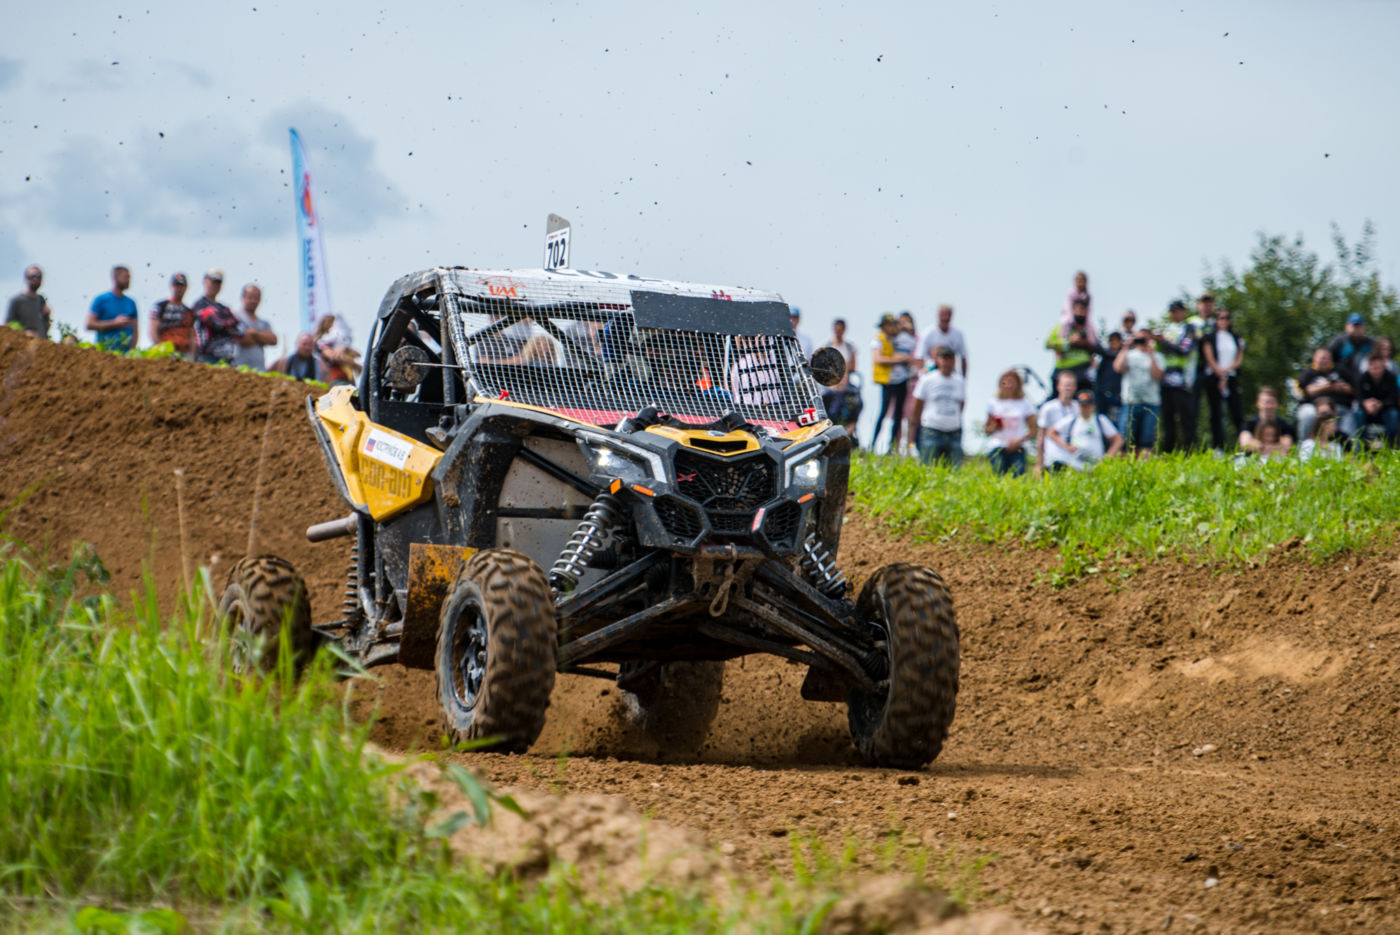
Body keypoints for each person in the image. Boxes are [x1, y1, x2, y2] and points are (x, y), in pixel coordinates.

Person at [1153, 299, 1199, 453]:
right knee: (1167, 421)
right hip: (1166, 382)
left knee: (1187, 420)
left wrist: (1164, 342)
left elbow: (1184, 349)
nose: (1174, 314)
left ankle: (1190, 452)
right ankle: (1168, 453)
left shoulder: (1190, 329)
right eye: (1171, 311)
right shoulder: (1167, 329)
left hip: (1183, 381)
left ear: (1183, 312)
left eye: (1177, 311)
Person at [1199, 304, 1245, 453]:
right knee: (1216, 414)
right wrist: (1220, 373)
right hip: (1214, 378)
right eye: (1220, 317)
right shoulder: (1210, 337)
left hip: (1231, 377)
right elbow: (1209, 357)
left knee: (1237, 413)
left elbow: (1239, 359)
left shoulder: (1236, 337)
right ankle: (1218, 448)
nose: (1223, 320)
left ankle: (1244, 447)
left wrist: (1226, 373)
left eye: (1226, 318)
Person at [1114, 327, 1166, 457]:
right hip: (1130, 402)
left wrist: (1151, 354)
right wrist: (1126, 347)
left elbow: (1158, 376)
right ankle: (1125, 466)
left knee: (1147, 441)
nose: (1143, 341)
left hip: (1151, 402)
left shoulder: (1158, 356)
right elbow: (1118, 368)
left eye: (1145, 338)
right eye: (1140, 338)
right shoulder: (1129, 355)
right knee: (1125, 439)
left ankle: (1144, 466)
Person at [909, 346, 964, 466]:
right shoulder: (927, 379)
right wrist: (916, 424)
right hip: (931, 429)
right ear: (937, 360)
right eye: (944, 359)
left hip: (954, 431)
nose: (947, 363)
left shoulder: (959, 381)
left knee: (954, 469)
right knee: (927, 466)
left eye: (950, 359)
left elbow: (962, 404)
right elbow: (917, 403)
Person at [1045, 390, 1123, 471]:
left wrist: (1107, 458)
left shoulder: (1100, 420)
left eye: (1087, 406)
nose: (1084, 409)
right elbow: (1051, 432)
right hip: (1076, 465)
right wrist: (1066, 446)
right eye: (1082, 406)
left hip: (1096, 465)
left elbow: (1118, 439)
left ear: (1093, 406)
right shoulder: (1072, 420)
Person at [869, 314, 913, 453]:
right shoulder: (878, 340)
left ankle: (891, 447)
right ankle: (873, 445)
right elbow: (879, 359)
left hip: (901, 380)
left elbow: (909, 330)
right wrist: (899, 359)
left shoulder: (896, 338)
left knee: (898, 415)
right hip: (887, 381)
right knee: (883, 412)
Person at [1296, 347, 1357, 442]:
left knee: (1349, 416)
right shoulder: (1308, 374)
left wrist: (1341, 387)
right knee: (1307, 414)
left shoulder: (1341, 371)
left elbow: (1355, 388)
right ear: (1314, 359)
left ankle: (1349, 449)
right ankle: (1305, 445)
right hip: (1314, 407)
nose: (1324, 360)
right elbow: (1303, 391)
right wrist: (1324, 388)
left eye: (1327, 358)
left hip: (1340, 407)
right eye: (1322, 358)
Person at [984, 369, 1037, 476]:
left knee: (1018, 476)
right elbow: (987, 429)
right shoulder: (994, 402)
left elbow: (1032, 430)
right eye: (1005, 382)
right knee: (998, 475)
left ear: (1018, 384)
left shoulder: (1025, 403)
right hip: (998, 445)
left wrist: (1019, 440)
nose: (1008, 385)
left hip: (1018, 447)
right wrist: (994, 426)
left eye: (1012, 382)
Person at [192, 269, 244, 365]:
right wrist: (229, 324)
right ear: (205, 281)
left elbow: (240, 329)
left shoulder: (224, 308)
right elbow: (215, 323)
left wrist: (224, 324)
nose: (215, 285)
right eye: (213, 281)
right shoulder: (200, 305)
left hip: (227, 359)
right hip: (207, 357)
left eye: (218, 283)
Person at [1045, 297, 1098, 391]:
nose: (1080, 313)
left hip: (1083, 370)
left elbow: (1098, 347)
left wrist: (1086, 343)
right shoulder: (1061, 327)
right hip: (1063, 369)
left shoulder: (1090, 329)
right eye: (1078, 309)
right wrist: (1068, 343)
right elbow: (1048, 344)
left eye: (1083, 310)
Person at [1037, 370, 1080, 473]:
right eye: (1066, 385)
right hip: (1054, 457)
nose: (1068, 388)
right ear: (1058, 386)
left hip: (1075, 459)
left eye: (1071, 385)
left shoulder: (1079, 408)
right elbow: (1041, 436)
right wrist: (1039, 463)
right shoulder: (1048, 408)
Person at [87, 265, 138, 351]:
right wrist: (114, 323)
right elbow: (89, 324)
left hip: (125, 353)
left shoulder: (131, 303)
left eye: (129, 277)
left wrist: (131, 350)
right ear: (116, 277)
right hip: (104, 351)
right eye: (126, 277)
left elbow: (135, 329)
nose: (129, 280)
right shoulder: (101, 300)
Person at [821, 318, 858, 435]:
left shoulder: (849, 347)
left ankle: (849, 431)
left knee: (855, 402)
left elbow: (853, 367)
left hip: (845, 383)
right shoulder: (827, 345)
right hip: (830, 384)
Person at [1353, 352, 1399, 447]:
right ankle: (1361, 445)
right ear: (1369, 367)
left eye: (1379, 368)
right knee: (1358, 414)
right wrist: (1365, 404)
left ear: (1384, 367)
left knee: (1394, 415)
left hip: (1385, 408)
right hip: (1366, 409)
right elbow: (1358, 396)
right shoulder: (1362, 378)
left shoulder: (1390, 378)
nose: (1376, 371)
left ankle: (1391, 445)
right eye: (1374, 368)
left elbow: (1393, 398)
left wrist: (1381, 404)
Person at [1238, 387, 1296, 457]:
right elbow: (1245, 445)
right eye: (1265, 402)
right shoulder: (1249, 424)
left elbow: (1287, 447)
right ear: (1258, 403)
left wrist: (1258, 446)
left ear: (1277, 404)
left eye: (1271, 402)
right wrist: (1276, 447)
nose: (1269, 406)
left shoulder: (1285, 426)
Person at [148, 272, 196, 356]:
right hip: (166, 350)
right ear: (171, 286)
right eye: (176, 285)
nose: (179, 289)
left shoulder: (189, 311)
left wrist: (192, 354)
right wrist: (159, 349)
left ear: (186, 287)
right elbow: (152, 329)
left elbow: (192, 334)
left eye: (181, 286)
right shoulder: (160, 306)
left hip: (184, 352)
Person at [231, 284, 277, 370]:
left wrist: (254, 333)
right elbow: (243, 338)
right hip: (239, 368)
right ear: (243, 297)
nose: (253, 301)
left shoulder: (264, 323)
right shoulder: (235, 317)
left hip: (259, 369)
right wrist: (261, 339)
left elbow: (273, 340)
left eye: (256, 298)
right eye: (250, 297)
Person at [917, 305, 968, 378]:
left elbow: (963, 357)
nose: (945, 318)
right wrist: (921, 376)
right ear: (938, 316)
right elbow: (920, 357)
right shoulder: (928, 333)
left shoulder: (958, 334)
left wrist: (963, 378)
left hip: (950, 373)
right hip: (931, 371)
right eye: (943, 315)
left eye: (948, 315)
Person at [6, 265, 52, 339]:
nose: (36, 279)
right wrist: (23, 333)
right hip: (23, 343)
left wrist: (47, 316)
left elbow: (45, 329)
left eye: (39, 276)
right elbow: (7, 327)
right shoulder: (17, 301)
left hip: (41, 342)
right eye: (33, 276)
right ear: (26, 278)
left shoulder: (41, 300)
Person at [1327, 312, 1374, 383]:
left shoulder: (1371, 343)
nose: (1356, 329)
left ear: (1363, 327)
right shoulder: (1339, 342)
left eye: (1359, 326)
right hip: (1342, 380)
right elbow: (1327, 359)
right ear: (1347, 326)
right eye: (1354, 326)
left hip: (1364, 380)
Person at [316, 313, 360, 384]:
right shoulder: (322, 343)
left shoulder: (339, 342)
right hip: (336, 378)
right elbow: (334, 356)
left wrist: (344, 348)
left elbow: (357, 354)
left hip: (348, 378)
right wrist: (356, 365)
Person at [1093, 331, 1124, 428]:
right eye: (1111, 341)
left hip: (1117, 394)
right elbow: (1096, 347)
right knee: (1101, 421)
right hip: (1102, 393)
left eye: (1116, 341)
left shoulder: (1123, 358)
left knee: (1115, 422)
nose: (1114, 343)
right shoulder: (1105, 355)